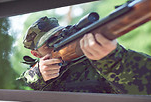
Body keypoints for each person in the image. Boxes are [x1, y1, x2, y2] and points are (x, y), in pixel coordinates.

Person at [17, 16, 151, 94]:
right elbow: (14, 85)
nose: (58, 42)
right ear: (35, 53)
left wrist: (113, 60)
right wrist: (37, 75)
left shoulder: (96, 57)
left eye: (61, 35)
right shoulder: (36, 71)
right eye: (48, 42)